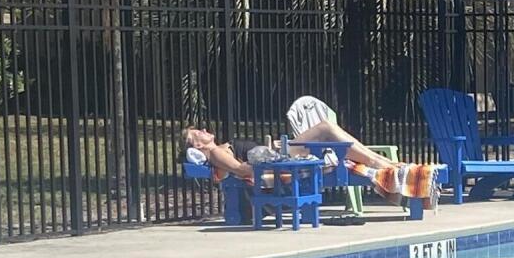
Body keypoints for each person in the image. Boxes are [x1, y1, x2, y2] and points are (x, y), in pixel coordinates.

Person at [185, 99, 440, 208]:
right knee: (325, 128)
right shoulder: (217, 153)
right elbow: (242, 170)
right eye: (199, 133)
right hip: (280, 159)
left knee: (328, 130)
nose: (205, 131)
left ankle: (384, 163)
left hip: (278, 153)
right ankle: (385, 164)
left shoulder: (221, 147)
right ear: (197, 146)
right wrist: (272, 160)